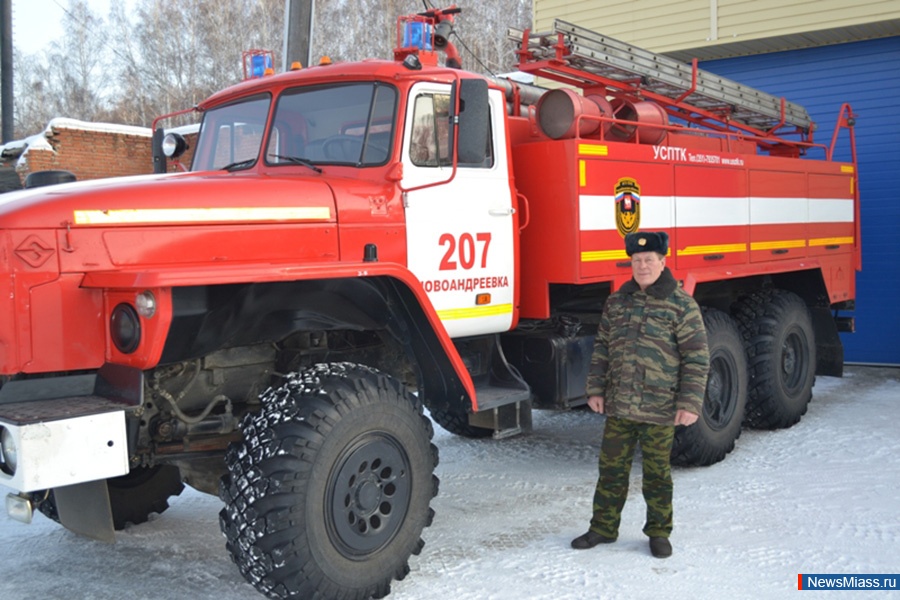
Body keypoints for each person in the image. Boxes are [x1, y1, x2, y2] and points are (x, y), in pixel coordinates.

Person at [571, 231, 709, 558]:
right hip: (620, 407)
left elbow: (696, 357)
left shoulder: (681, 305)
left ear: (663, 262)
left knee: (657, 475)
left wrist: (689, 403)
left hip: (659, 409)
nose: (643, 266)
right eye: (637, 261)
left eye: (649, 260)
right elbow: (602, 348)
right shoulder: (618, 302)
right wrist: (595, 389)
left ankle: (659, 532)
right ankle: (603, 528)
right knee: (611, 472)